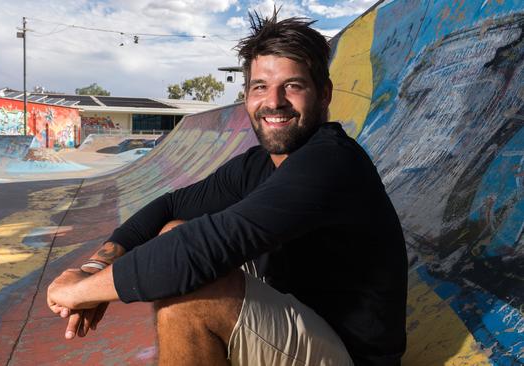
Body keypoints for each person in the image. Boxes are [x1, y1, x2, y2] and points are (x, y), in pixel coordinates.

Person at [48, 9, 407, 366]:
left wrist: (80, 292)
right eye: (260, 87)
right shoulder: (257, 164)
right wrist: (96, 266)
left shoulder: (330, 162)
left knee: (195, 294)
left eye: (293, 86)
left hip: (351, 355)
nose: (274, 101)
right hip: (297, 326)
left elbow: (205, 247)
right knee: (175, 231)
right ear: (247, 96)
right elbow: (170, 208)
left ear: (324, 94)